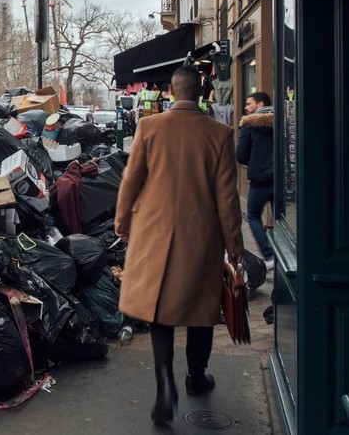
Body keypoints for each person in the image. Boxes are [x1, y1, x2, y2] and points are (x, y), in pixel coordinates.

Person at [114, 66, 244, 424]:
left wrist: (122, 222)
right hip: (200, 237)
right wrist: (234, 246)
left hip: (154, 234)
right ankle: (195, 375)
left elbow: (131, 181)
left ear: (170, 92)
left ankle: (164, 384)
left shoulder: (150, 128)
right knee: (201, 310)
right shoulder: (219, 134)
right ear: (202, 93)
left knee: (160, 312)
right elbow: (228, 198)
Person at [236, 91, 275, 270]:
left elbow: (241, 156)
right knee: (281, 220)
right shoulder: (283, 122)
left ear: (260, 105)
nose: (246, 108)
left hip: (259, 181)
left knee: (253, 216)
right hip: (281, 181)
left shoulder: (249, 125)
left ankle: (269, 255)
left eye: (249, 104)